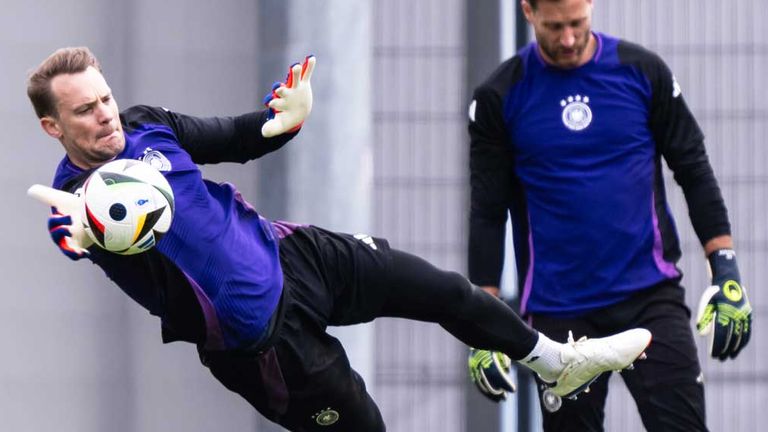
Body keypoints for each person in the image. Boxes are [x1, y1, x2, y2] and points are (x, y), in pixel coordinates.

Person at [27, 46, 651, 432]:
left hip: (297, 256)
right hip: (260, 344)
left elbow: (240, 136)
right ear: (53, 125)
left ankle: (555, 363)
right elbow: (71, 235)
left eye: (104, 98)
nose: (105, 113)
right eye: (85, 111)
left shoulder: (145, 124)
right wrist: (79, 233)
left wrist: (286, 120)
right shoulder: (75, 199)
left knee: (444, 293)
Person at [467, 0, 753, 430]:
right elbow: (488, 212)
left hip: (649, 296)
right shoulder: (500, 95)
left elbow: (693, 169)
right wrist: (481, 326)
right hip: (558, 312)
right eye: (554, 26)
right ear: (528, 11)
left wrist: (726, 270)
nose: (567, 38)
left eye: (577, 23)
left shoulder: (642, 71)